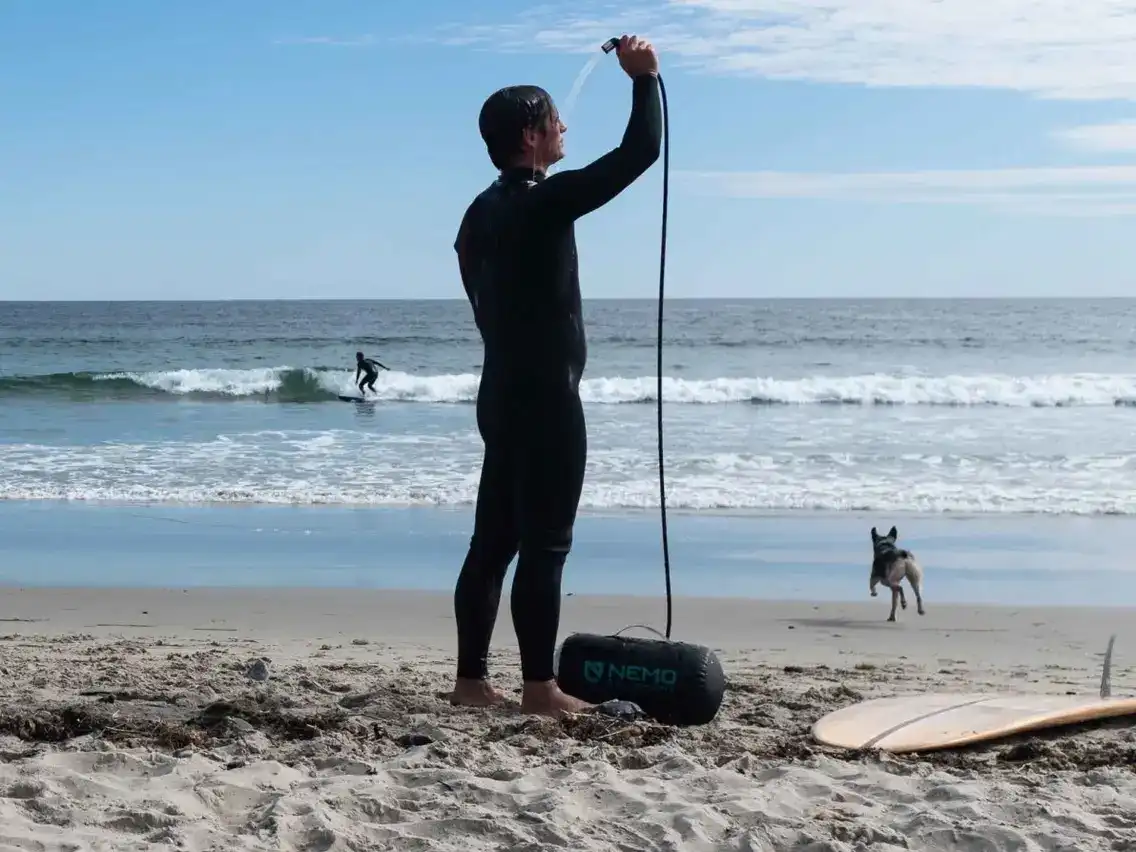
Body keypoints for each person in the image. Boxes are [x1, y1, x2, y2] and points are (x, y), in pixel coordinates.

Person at [450, 34, 662, 718]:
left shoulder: (477, 215)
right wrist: (644, 80)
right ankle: (540, 689)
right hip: (546, 401)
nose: (566, 129)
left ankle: (472, 683)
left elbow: (479, 289)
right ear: (533, 136)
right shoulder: (543, 203)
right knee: (545, 544)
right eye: (557, 123)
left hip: (500, 393)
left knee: (493, 543)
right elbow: (639, 155)